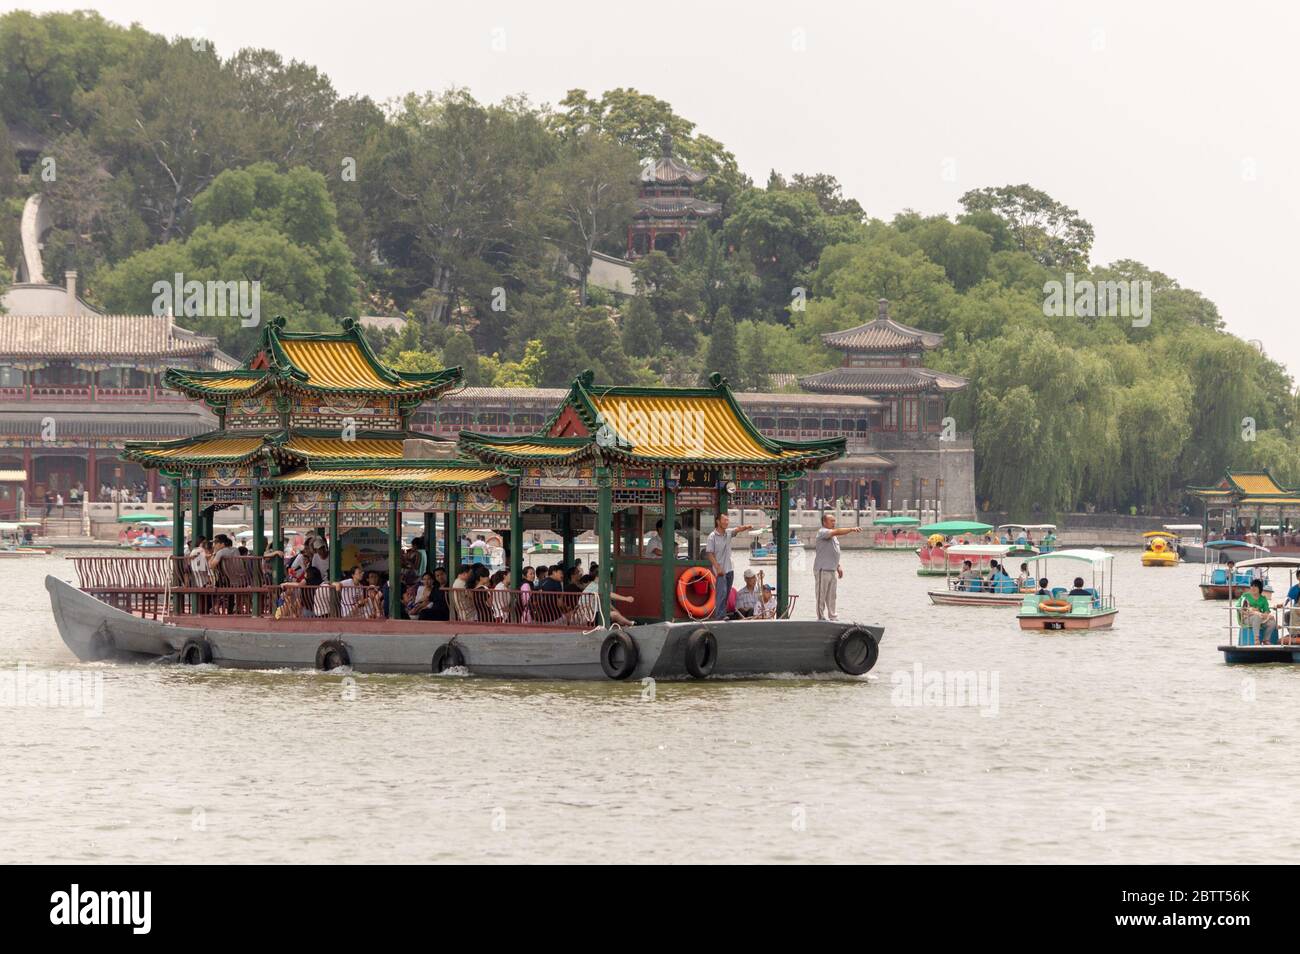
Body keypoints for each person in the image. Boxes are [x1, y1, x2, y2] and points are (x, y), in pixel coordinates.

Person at [813, 512, 862, 620]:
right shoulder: (822, 532)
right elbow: (837, 531)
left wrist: (838, 566)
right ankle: (821, 617)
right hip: (823, 569)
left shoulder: (833, 537)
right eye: (831, 521)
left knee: (832, 596)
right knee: (821, 595)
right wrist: (851, 529)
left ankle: (833, 616)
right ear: (824, 522)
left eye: (834, 521)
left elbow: (832, 552)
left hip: (832, 569)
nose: (834, 523)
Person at [706, 514, 754, 621]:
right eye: (724, 520)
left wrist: (747, 527)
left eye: (728, 520)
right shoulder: (712, 536)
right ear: (718, 521)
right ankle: (719, 616)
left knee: (726, 592)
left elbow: (737, 529)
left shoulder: (728, 533)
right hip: (720, 570)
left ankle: (723, 614)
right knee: (721, 592)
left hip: (729, 569)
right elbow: (709, 553)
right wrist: (717, 567)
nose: (727, 522)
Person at [1238, 580, 1277, 645]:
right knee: (1256, 617)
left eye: (1255, 586)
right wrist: (1250, 610)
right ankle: (1256, 640)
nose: (1253, 588)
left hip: (1260, 617)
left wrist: (1265, 615)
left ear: (1260, 588)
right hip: (1247, 618)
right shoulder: (1245, 596)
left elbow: (1266, 610)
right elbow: (1239, 607)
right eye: (1252, 586)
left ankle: (1265, 640)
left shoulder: (1263, 599)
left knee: (1272, 621)